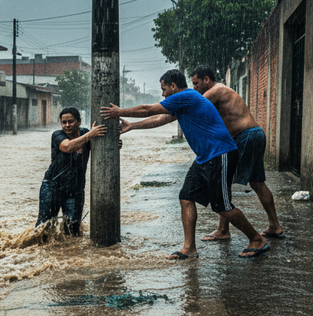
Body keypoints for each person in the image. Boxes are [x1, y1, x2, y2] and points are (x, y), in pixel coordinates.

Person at [100, 69, 270, 259]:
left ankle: (257, 240)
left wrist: (119, 112)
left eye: (164, 89)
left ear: (173, 86)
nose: (162, 94)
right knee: (186, 196)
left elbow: (148, 109)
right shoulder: (182, 103)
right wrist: (131, 126)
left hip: (219, 153)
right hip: (204, 157)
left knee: (221, 206)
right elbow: (159, 119)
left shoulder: (186, 96)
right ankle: (189, 248)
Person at [190, 65, 284, 240]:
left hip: (245, 136)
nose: (195, 88)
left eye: (196, 83)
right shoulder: (221, 91)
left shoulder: (214, 91)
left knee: (223, 181)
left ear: (206, 80)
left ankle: (223, 230)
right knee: (257, 183)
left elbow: (192, 108)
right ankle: (275, 225)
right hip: (255, 134)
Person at [36, 107, 107, 236]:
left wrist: (114, 144)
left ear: (79, 122)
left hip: (75, 190)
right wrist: (90, 135)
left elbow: (101, 147)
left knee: (72, 231)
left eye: (71, 121)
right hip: (52, 187)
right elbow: (68, 147)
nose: (67, 125)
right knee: (44, 228)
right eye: (64, 122)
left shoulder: (85, 133)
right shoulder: (58, 135)